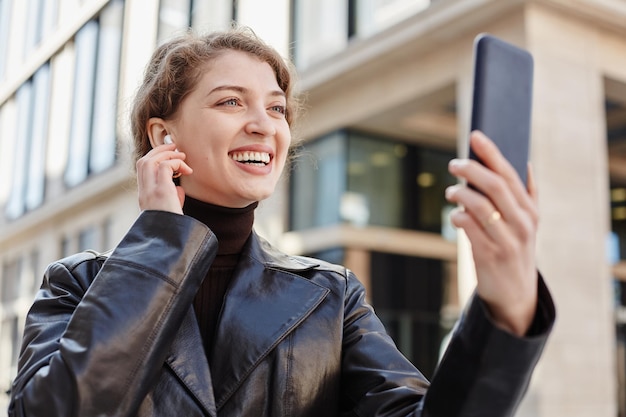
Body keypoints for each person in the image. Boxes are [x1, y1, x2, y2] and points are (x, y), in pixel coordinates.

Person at [8, 26, 555, 417]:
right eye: (230, 102)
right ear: (162, 136)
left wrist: (505, 310)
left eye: (275, 108)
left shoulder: (329, 295)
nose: (263, 125)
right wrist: (160, 239)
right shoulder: (77, 284)